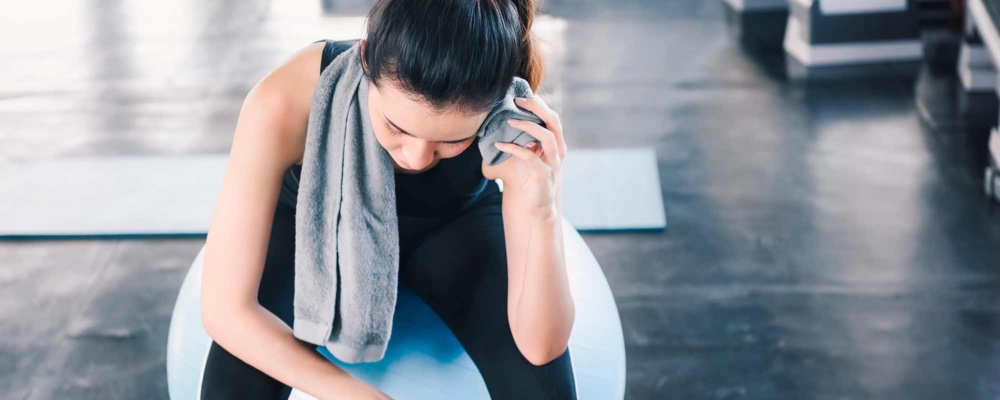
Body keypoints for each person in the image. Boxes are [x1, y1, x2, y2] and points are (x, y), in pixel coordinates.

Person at [199, 0, 575, 398]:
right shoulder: (281, 101)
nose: (416, 158)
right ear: (365, 58)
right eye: (396, 127)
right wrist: (356, 395)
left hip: (451, 228)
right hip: (310, 229)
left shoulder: (510, 125)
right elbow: (226, 311)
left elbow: (540, 347)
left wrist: (544, 212)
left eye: (451, 141)